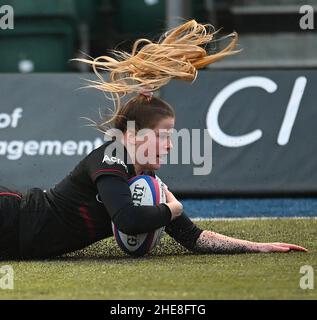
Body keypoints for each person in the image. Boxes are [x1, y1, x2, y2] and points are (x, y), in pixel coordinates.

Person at [0, 21, 307, 260]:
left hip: (16, 238)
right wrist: (171, 210)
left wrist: (257, 247)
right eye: (163, 136)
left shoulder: (146, 181)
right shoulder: (111, 157)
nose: (171, 145)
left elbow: (194, 238)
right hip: (13, 217)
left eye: (171, 137)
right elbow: (129, 220)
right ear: (133, 136)